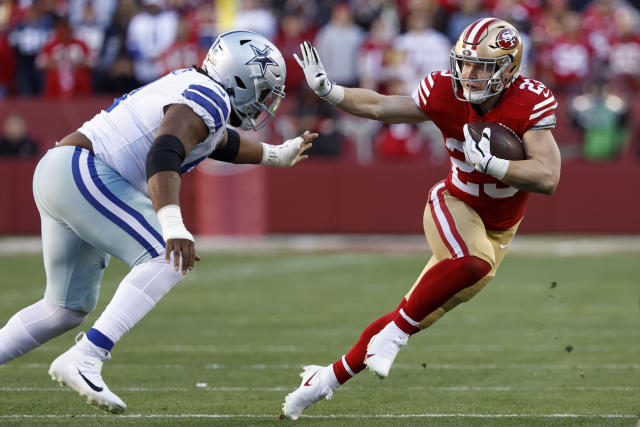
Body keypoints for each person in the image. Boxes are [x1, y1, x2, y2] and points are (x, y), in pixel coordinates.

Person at [0, 30, 317, 414]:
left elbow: (219, 142)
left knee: (65, 308)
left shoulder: (199, 94)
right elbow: (164, 151)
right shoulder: (210, 98)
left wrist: (274, 154)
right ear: (239, 78)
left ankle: (80, 352)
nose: (267, 102)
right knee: (165, 255)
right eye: (264, 89)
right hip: (81, 171)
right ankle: (88, 355)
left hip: (62, 171)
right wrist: (172, 224)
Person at [281, 17, 561, 420]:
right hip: (453, 203)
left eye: (482, 67)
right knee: (468, 263)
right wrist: (330, 91)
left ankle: (322, 381)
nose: (469, 74)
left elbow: (548, 177)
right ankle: (393, 337)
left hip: (500, 229)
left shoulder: (529, 101)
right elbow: (381, 105)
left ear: (509, 68)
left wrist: (497, 166)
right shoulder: (445, 91)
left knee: (417, 310)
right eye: (464, 64)